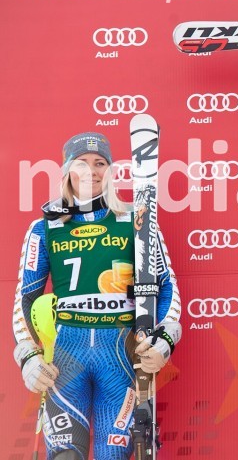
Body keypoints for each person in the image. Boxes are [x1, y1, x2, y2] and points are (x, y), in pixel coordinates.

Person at [13, 132, 182, 460]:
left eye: (100, 163)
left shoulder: (137, 220)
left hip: (120, 357)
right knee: (65, 456)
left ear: (110, 171)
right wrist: (28, 357)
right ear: (66, 171)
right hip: (65, 361)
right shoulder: (44, 228)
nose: (91, 171)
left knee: (113, 456)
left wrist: (165, 338)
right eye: (81, 163)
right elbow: (25, 300)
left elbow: (166, 285)